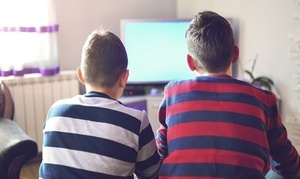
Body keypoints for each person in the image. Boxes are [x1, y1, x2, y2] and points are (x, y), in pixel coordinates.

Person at [156, 11, 300, 179]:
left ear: (190, 62)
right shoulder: (263, 99)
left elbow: (161, 152)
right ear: (235, 54)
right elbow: (286, 160)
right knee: (273, 175)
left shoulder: (173, 92)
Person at [39, 28, 161, 179]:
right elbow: (152, 174)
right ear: (124, 78)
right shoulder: (136, 122)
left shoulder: (55, 111)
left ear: (80, 75)